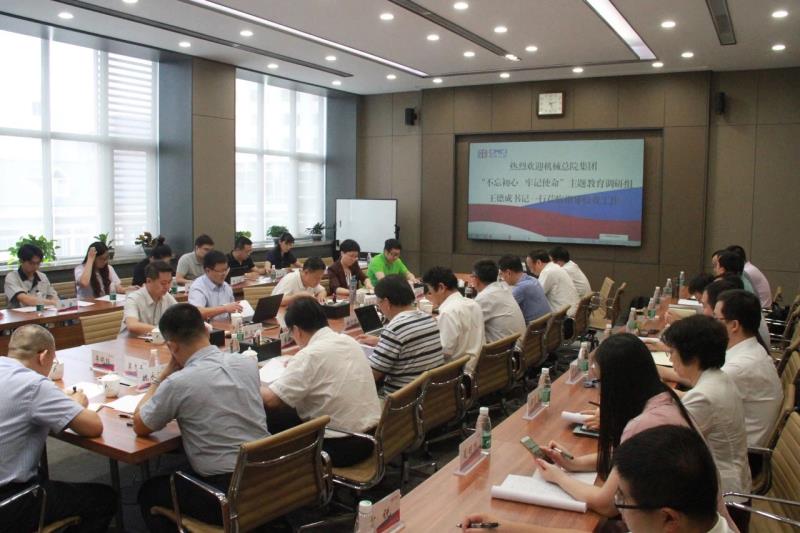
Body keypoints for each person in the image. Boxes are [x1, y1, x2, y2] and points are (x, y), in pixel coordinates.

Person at [532, 335, 727, 521]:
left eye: (599, 382)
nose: (599, 391)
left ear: (618, 384)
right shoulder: (664, 397)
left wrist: (558, 477)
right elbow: (631, 458)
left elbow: (606, 505)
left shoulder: (645, 423)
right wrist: (576, 463)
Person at [134, 304, 269, 532]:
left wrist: (161, 378)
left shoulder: (177, 383)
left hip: (226, 494)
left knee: (149, 491)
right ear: (206, 331)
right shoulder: (247, 363)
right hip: (269, 475)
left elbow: (140, 424)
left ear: (172, 346)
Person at [461, 425, 735, 533]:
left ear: (668, 519)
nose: (617, 508)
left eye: (622, 500)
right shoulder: (692, 522)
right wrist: (502, 528)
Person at [0, 325, 115, 532]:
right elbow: (93, 427)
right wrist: (76, 404)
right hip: (9, 502)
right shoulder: (34, 384)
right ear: (43, 356)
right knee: (104, 499)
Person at [260, 298, 381, 467]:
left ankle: (287, 474)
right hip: (373, 435)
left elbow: (271, 400)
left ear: (296, 330)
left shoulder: (309, 356)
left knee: (272, 414)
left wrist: (249, 380)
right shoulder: (348, 340)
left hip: (340, 448)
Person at [661, 315, 751, 531]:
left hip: (724, 500)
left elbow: (664, 442)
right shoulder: (718, 378)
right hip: (733, 484)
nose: (670, 359)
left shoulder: (704, 396)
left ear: (692, 356)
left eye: (672, 352)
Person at [715, 290, 782, 448]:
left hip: (742, 453)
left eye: (716, 319)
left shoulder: (740, 368)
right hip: (737, 441)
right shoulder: (751, 349)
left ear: (734, 325)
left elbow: (696, 400)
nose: (711, 324)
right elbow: (707, 379)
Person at [358, 274, 444, 394]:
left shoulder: (395, 329)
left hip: (402, 400)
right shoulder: (428, 318)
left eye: (378, 303)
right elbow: (411, 345)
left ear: (386, 302)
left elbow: (371, 375)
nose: (380, 308)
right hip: (431, 395)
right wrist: (381, 341)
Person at [422, 267, 484, 369]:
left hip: (457, 373)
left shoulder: (448, 312)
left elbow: (443, 352)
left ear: (441, 287)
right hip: (477, 367)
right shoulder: (474, 304)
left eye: (430, 292)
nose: (430, 297)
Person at [471, 259, 525, 348]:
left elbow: (468, 325)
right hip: (517, 348)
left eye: (472, 276)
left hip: (508, 352)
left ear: (476, 279)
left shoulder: (485, 297)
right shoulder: (503, 289)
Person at [120, 261, 178, 336]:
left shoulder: (167, 296)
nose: (167, 287)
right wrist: (162, 331)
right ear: (149, 281)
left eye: (169, 282)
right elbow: (132, 325)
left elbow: (181, 316)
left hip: (155, 340)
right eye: (163, 283)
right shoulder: (133, 298)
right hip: (133, 341)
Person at [187, 250, 241, 320]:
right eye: (220, 271)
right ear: (207, 270)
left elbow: (232, 309)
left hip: (227, 324)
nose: (224, 274)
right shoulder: (198, 287)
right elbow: (197, 312)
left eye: (225, 270)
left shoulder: (226, 286)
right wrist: (225, 308)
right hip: (207, 326)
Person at [497, 254, 551, 324]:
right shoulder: (533, 279)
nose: (502, 278)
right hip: (544, 325)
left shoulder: (520, 288)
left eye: (501, 274)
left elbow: (503, 310)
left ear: (508, 273)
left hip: (532, 328)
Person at [3, 244, 59, 309]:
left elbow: (53, 297)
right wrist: (51, 303)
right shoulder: (12, 277)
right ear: (21, 261)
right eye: (31, 263)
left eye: (38, 263)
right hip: (19, 315)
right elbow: (26, 300)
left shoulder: (42, 276)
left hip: (41, 313)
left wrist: (53, 301)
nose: (35, 266)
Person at [526, 249, 580, 317]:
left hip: (565, 316)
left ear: (538, 262)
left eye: (530, 267)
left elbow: (536, 296)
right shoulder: (554, 267)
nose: (531, 271)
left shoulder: (548, 271)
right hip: (572, 311)